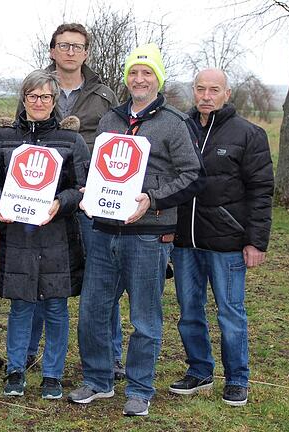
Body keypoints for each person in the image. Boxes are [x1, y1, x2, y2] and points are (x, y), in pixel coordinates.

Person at [70, 43, 203, 416]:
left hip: (148, 235)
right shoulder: (112, 118)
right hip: (103, 230)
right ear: (126, 78)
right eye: (133, 73)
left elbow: (193, 176)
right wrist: (91, 189)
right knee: (94, 311)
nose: (139, 79)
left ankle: (140, 388)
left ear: (157, 79)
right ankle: (98, 381)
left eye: (147, 73)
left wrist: (153, 198)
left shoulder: (175, 123)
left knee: (144, 317)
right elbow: (103, 163)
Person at [19, 23, 125, 379]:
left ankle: (110, 355)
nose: (70, 52)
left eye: (77, 47)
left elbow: (116, 146)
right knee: (34, 276)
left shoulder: (104, 95)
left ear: (86, 53)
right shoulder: (36, 85)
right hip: (40, 201)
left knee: (100, 278)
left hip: (91, 199)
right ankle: (30, 352)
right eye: (63, 45)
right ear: (52, 50)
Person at [0, 69, 90, 400]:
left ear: (54, 101)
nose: (38, 102)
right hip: (19, 236)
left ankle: (52, 375)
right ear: (23, 100)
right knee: (21, 306)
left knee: (56, 307)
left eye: (45, 97)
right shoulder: (3, 138)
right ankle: (15, 370)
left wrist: (62, 202)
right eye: (32, 96)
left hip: (57, 235)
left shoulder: (72, 141)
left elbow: (83, 187)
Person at [169, 68, 274, 407]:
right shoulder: (180, 129)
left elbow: (261, 191)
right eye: (200, 89)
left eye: (214, 89)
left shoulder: (248, 134)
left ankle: (237, 379)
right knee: (189, 311)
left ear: (227, 93)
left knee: (230, 312)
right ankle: (199, 371)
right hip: (185, 241)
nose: (206, 96)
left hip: (228, 242)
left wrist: (256, 241)